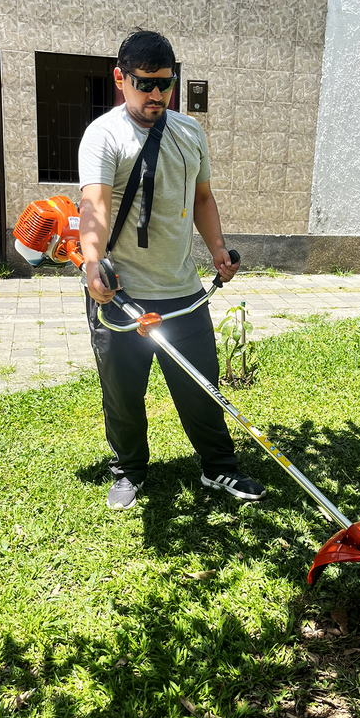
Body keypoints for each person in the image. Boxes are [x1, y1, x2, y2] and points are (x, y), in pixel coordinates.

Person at [78, 29, 266, 510]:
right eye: (145, 83)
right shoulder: (104, 135)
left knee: (203, 387)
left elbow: (202, 197)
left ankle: (219, 469)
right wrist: (93, 262)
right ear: (121, 78)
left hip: (184, 291)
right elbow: (94, 205)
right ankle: (129, 471)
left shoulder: (189, 133)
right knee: (123, 394)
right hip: (121, 294)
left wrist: (219, 251)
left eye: (166, 83)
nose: (157, 95)